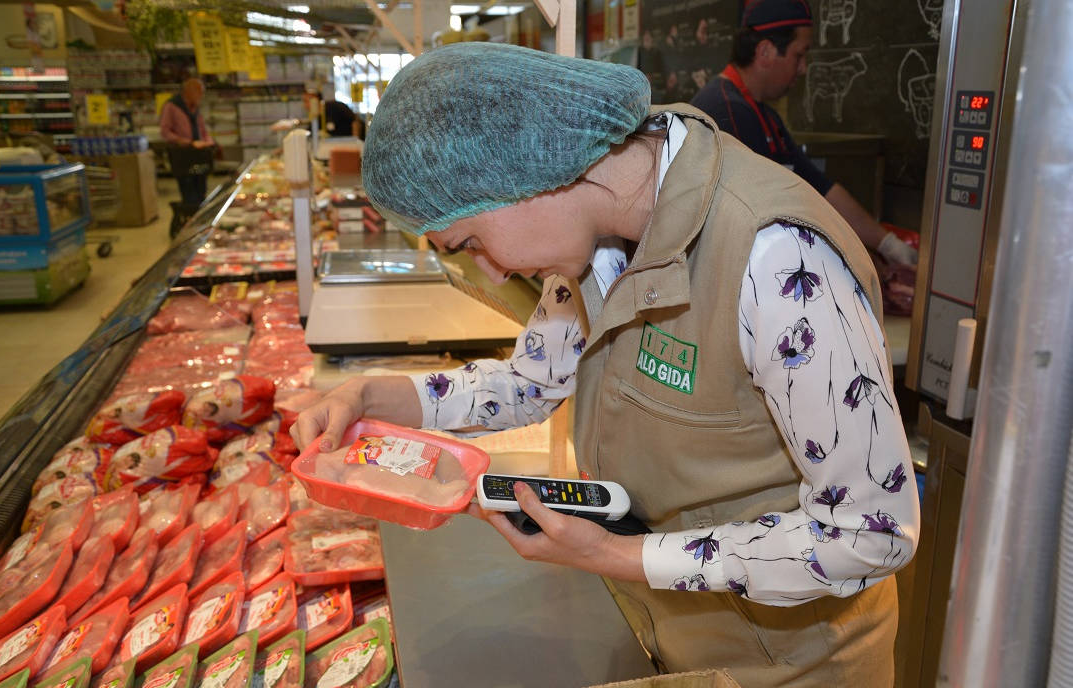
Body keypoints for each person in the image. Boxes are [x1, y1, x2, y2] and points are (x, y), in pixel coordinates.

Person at [292, 43, 919, 686]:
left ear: (526, 172)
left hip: (785, 662)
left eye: (471, 242)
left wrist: (617, 555)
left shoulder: (778, 257)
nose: (491, 271)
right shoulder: (599, 236)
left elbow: (870, 534)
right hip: (671, 630)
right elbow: (534, 378)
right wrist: (373, 396)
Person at [690, 0, 918, 267]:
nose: (803, 68)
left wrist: (887, 244)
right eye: (799, 55)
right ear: (765, 51)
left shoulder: (764, 115)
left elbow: (819, 188)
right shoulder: (728, 111)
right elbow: (764, 216)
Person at [159, 77, 214, 209]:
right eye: (200, 92)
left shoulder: (196, 108)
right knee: (188, 190)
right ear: (189, 91)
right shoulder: (171, 106)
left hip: (199, 154)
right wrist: (186, 142)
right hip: (182, 156)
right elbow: (165, 131)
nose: (202, 96)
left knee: (201, 188)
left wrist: (208, 141)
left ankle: (201, 212)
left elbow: (202, 129)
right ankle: (191, 216)